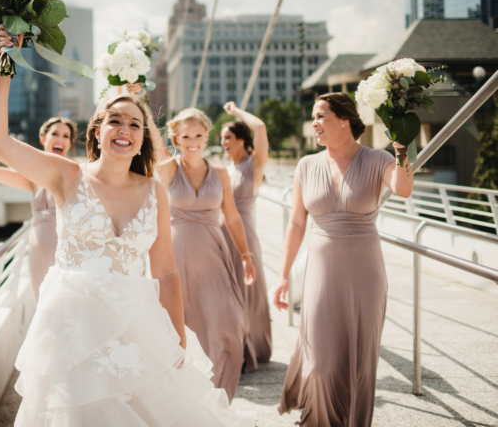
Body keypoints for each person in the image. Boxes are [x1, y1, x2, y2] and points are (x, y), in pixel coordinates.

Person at [0, 25, 255, 426]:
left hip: (136, 324)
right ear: (97, 129)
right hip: (72, 327)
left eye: (134, 124)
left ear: (144, 137)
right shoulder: (66, 176)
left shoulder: (154, 191)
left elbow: (165, 270)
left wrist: (177, 338)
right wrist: (5, 66)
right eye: (115, 121)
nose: (124, 130)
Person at [273, 92, 414, 427]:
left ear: (344, 119)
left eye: (321, 116)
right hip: (321, 272)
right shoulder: (306, 164)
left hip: (365, 273)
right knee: (320, 362)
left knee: (360, 364)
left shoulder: (378, 159)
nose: (314, 123)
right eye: (313, 116)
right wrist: (282, 276)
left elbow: (403, 189)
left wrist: (402, 152)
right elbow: (296, 223)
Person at [156, 108, 256, 402]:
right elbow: (153, 139)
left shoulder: (221, 173)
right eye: (185, 136)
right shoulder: (169, 169)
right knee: (184, 331)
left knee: (228, 328)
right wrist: (137, 96)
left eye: (198, 135)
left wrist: (246, 255)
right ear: (176, 138)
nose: (192, 141)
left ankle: (218, 399)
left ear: (206, 136)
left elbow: (233, 217)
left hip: (214, 256)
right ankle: (187, 400)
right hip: (176, 260)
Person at [0, 116, 76, 301]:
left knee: (63, 304)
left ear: (70, 144)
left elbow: (13, 157)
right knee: (40, 303)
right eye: (55, 134)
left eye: (66, 136)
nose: (61, 139)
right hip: (35, 249)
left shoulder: (68, 173)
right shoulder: (34, 179)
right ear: (43, 139)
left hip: (63, 251)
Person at [219, 101, 272, 373]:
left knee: (247, 293)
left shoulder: (254, 165)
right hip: (221, 235)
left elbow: (260, 127)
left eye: (227, 137)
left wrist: (236, 111)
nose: (223, 143)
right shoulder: (225, 170)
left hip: (245, 236)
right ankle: (233, 347)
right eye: (221, 139)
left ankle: (252, 349)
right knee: (228, 294)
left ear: (241, 140)